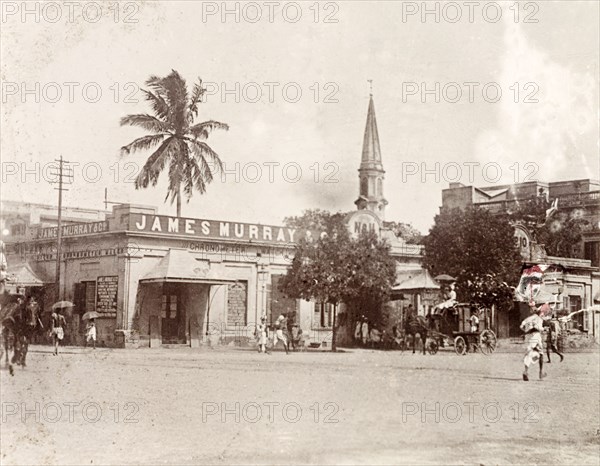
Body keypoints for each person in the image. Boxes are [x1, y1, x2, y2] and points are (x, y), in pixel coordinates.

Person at [520, 304, 546, 381]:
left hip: (528, 338)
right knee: (541, 353)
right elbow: (537, 328)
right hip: (536, 337)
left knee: (529, 354)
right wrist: (543, 329)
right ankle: (540, 373)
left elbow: (521, 326)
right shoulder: (538, 319)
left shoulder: (528, 319)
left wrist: (526, 332)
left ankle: (526, 371)